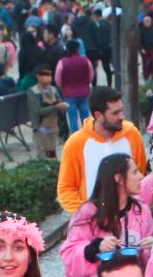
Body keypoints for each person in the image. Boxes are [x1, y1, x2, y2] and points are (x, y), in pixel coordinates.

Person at [56, 84, 146, 216]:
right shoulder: (75, 143)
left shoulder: (132, 134)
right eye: (115, 113)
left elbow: (141, 175)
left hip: (129, 218)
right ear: (98, 115)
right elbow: (66, 188)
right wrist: (85, 214)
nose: (121, 116)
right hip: (91, 221)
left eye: (122, 110)